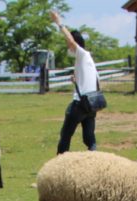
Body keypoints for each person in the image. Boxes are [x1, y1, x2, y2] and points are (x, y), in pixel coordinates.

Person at [50, 10, 99, 154]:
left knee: (65, 135)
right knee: (89, 139)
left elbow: (71, 41)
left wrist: (58, 22)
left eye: (70, 45)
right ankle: (95, 159)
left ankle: (59, 163)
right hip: (92, 104)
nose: (68, 47)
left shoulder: (82, 54)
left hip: (81, 104)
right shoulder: (88, 59)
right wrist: (76, 80)